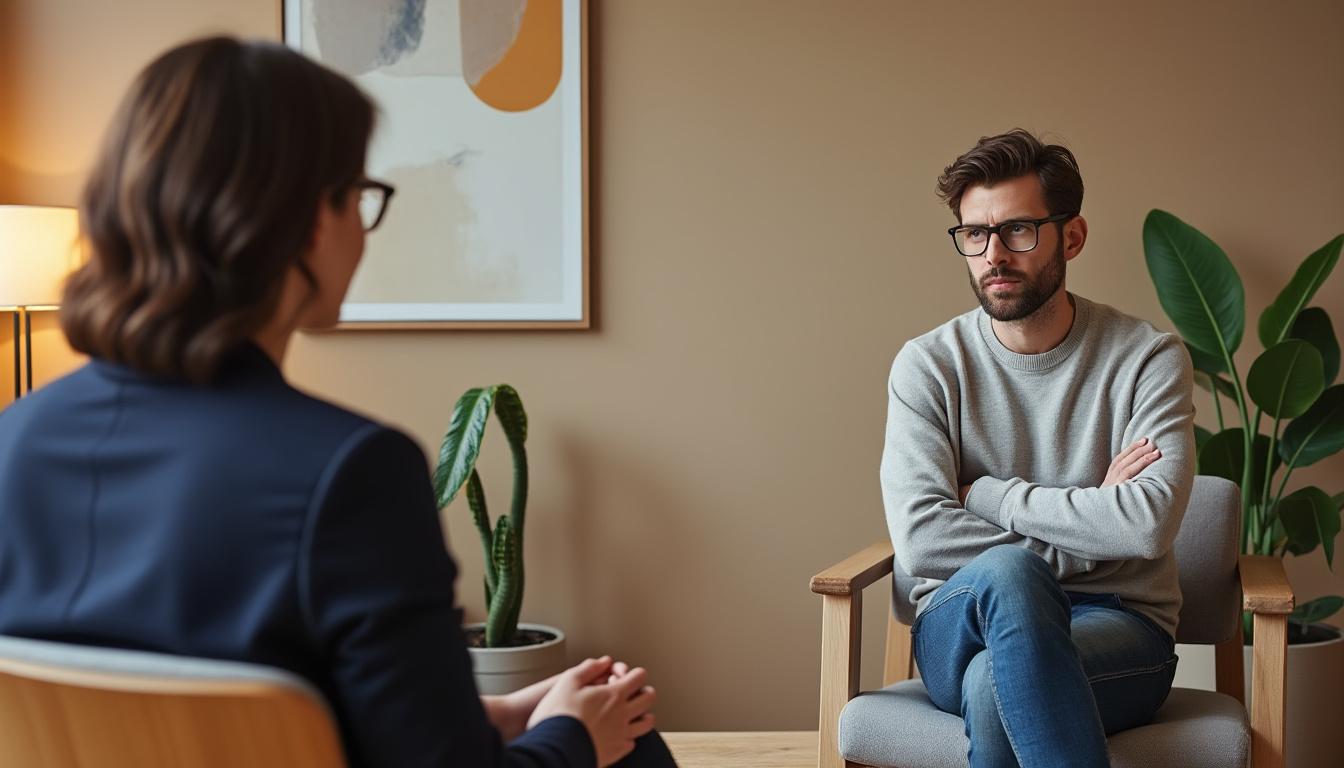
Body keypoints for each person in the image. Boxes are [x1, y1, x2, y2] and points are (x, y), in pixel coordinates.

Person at [0, 36, 674, 768]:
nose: (361, 227)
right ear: (310, 220)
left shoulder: (15, 441)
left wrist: (513, 716)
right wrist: (574, 737)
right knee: (632, 745)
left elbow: (191, 709)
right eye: (358, 196)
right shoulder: (352, 473)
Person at [881, 129, 1195, 767]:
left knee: (993, 685)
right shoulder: (928, 366)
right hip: (958, 619)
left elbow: (1146, 525)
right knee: (1007, 574)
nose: (994, 254)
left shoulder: (1147, 360)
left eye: (1019, 230)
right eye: (975, 234)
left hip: (1118, 626)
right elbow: (921, 538)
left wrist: (992, 495)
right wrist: (1092, 522)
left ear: (1071, 237)